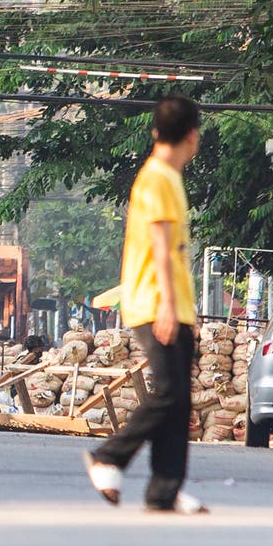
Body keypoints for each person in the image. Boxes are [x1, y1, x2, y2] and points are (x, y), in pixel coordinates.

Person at [82, 94, 207, 514]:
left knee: (179, 400)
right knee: (168, 395)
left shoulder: (166, 177)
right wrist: (169, 307)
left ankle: (164, 491)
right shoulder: (158, 179)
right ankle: (109, 456)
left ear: (156, 131)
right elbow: (160, 247)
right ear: (193, 137)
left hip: (171, 304)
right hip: (156, 303)